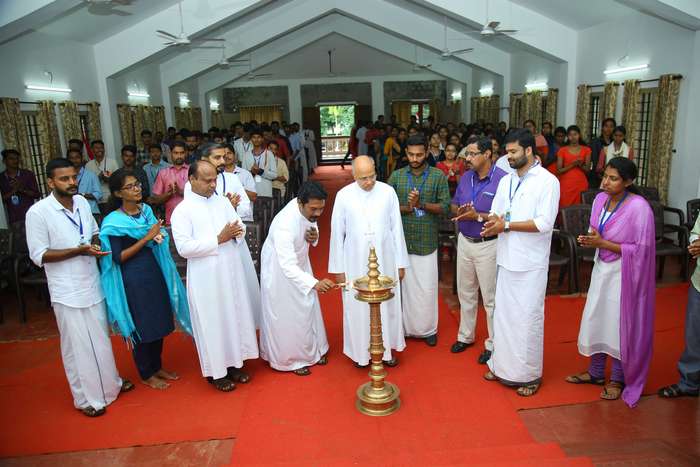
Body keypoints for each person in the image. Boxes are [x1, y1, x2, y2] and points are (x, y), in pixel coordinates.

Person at [25, 158, 133, 417]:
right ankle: (85, 399)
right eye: (64, 179)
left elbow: (93, 231)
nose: (72, 182)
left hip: (91, 282)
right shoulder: (38, 213)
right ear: (50, 182)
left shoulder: (82, 202)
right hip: (66, 289)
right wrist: (78, 251)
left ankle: (111, 385)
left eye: (74, 177)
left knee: (100, 339)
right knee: (76, 346)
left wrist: (95, 245)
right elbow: (39, 255)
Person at [568, 158, 655, 407]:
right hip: (602, 267)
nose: (605, 182)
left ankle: (618, 378)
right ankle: (596, 372)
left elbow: (643, 250)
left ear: (628, 182)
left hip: (625, 272)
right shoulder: (599, 199)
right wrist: (592, 238)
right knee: (597, 316)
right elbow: (596, 228)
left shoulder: (639, 208)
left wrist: (603, 243)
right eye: (605, 176)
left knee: (618, 323)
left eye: (613, 178)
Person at [481, 128, 560, 397]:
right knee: (504, 317)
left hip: (531, 263)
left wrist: (506, 225)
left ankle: (529, 375)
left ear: (528, 150)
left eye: (513, 152)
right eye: (507, 152)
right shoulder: (507, 180)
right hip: (506, 258)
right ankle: (500, 366)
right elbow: (496, 213)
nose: (509, 157)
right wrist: (480, 217)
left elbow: (544, 223)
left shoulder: (548, 182)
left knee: (527, 320)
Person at [171, 160, 259, 392]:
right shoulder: (183, 211)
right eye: (207, 181)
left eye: (214, 180)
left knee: (233, 315)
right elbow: (184, 248)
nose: (213, 185)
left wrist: (238, 232)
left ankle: (235, 364)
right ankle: (216, 373)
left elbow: (239, 225)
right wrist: (219, 239)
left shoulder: (222, 202)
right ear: (192, 179)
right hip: (205, 277)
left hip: (230, 269)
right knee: (213, 322)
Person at [99, 172, 192, 390]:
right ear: (118, 193)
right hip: (133, 277)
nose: (137, 189)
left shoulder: (146, 211)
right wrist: (148, 237)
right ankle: (146, 372)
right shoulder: (113, 222)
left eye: (137, 184)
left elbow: (154, 236)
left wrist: (158, 236)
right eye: (130, 186)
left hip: (154, 270)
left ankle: (157, 366)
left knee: (159, 318)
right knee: (143, 323)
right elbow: (118, 257)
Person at [329, 156, 409, 367]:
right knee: (357, 306)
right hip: (354, 260)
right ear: (354, 175)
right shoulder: (343, 195)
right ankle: (360, 354)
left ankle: (386, 351)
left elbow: (396, 228)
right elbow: (337, 234)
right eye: (363, 178)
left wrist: (401, 263)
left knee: (387, 304)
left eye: (372, 176)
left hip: (386, 257)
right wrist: (338, 269)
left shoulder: (387, 192)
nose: (369, 181)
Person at [260, 182, 332, 376]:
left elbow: (311, 226)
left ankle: (314, 351)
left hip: (300, 263)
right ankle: (290, 360)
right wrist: (314, 283)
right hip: (280, 271)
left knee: (307, 307)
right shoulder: (284, 225)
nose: (318, 213)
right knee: (288, 315)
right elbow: (287, 266)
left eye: (321, 208)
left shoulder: (306, 208)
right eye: (314, 209)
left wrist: (314, 236)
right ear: (300, 203)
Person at [388, 134, 450, 346]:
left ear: (427, 152)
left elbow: (445, 207)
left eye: (419, 155)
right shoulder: (396, 176)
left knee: (426, 288)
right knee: (402, 289)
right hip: (401, 241)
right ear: (406, 153)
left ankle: (427, 329)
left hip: (426, 241)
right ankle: (403, 329)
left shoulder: (438, 176)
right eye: (411, 154)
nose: (415, 159)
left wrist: (421, 204)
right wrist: (408, 208)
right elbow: (386, 207)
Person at [450, 136, 507, 363]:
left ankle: (493, 343)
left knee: (490, 298)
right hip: (465, 241)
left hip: (488, 244)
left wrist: (478, 216)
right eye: (467, 154)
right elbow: (454, 204)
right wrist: (460, 210)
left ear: (487, 154)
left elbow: (506, 217)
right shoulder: (466, 177)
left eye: (473, 154)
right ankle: (466, 336)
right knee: (466, 292)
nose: (468, 158)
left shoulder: (503, 180)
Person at [658, 215, 700, 399]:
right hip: (699, 283)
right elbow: (696, 232)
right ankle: (689, 383)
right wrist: (695, 242)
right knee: (694, 336)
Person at [194, 143, 253, 222]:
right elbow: (196, 213)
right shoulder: (193, 183)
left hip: (232, 226)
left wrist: (233, 207)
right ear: (204, 159)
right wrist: (227, 207)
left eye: (223, 157)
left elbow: (246, 208)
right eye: (217, 158)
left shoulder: (232, 178)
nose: (223, 161)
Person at [151, 141, 189, 225]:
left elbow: (200, 194)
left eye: (182, 153)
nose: (179, 156)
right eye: (176, 153)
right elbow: (156, 200)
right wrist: (168, 194)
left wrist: (181, 192)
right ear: (170, 154)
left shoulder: (192, 171)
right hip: (170, 219)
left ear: (186, 153)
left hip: (191, 219)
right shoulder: (163, 173)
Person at [0, 149, 40, 224]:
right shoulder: (1, 178)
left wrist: (22, 189)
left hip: (31, 216)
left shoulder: (28, 174)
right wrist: (13, 191)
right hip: (13, 219)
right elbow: (1, 200)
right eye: (11, 158)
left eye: (17, 158)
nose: (15, 161)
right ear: (4, 161)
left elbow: (37, 195)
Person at [556, 125, 591, 209]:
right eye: (570, 135)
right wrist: (572, 165)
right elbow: (559, 170)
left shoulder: (586, 150)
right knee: (565, 207)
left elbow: (588, 170)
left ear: (579, 135)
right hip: (566, 184)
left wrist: (580, 165)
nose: (573, 137)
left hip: (581, 183)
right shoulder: (562, 150)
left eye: (575, 134)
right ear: (567, 137)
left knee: (580, 208)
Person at [241, 128, 278, 197]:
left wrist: (261, 171)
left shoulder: (269, 154)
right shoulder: (246, 155)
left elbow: (274, 175)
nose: (256, 139)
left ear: (262, 139)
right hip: (251, 190)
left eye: (259, 137)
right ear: (251, 139)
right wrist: (252, 172)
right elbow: (243, 176)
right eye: (254, 137)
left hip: (265, 190)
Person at [85, 140, 119, 213]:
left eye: (101, 148)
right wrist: (98, 178)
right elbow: (87, 184)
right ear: (92, 150)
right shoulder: (88, 165)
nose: (99, 150)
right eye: (96, 148)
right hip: (95, 201)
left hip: (110, 198)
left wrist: (109, 179)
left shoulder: (112, 162)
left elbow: (118, 180)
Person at [67, 148, 102, 216]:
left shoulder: (91, 175)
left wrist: (82, 195)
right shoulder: (65, 177)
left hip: (91, 212)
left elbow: (99, 194)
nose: (74, 160)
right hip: (72, 213)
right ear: (68, 160)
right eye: (71, 158)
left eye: (77, 157)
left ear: (82, 159)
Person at [589, 118, 616, 188]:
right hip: (596, 175)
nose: (608, 128)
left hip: (612, 175)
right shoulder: (595, 142)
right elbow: (594, 159)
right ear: (602, 128)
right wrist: (601, 172)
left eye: (611, 126)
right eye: (606, 126)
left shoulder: (615, 142)